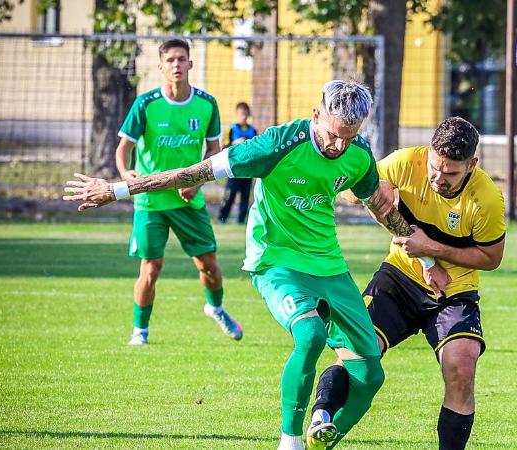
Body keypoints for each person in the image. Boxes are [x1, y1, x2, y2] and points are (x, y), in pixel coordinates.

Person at [64, 80, 435, 450]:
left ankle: (326, 438)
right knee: (310, 336)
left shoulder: (359, 153)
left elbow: (378, 203)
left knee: (370, 374)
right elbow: (193, 172)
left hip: (330, 266)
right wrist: (115, 190)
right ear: (316, 114)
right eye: (334, 135)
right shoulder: (276, 145)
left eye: (349, 137)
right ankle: (289, 442)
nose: (340, 146)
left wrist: (428, 257)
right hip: (275, 260)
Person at [308, 117, 506, 450]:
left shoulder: (486, 199)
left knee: (462, 366)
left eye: (451, 173)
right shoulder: (405, 161)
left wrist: (432, 250)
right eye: (434, 168)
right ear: (428, 152)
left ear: (472, 164)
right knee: (354, 353)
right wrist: (373, 191)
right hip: (398, 279)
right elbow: (348, 188)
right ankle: (321, 420)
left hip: (452, 293)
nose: (438, 179)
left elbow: (491, 258)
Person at [113, 38, 242, 346]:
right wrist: (125, 173)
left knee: (208, 263)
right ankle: (139, 332)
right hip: (150, 200)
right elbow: (123, 148)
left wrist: (196, 182)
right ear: (161, 66)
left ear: (190, 64)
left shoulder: (206, 104)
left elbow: (214, 152)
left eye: (181, 59)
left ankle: (216, 307)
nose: (176, 65)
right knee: (151, 267)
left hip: (188, 201)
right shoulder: (146, 104)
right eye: (170, 60)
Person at [218, 102, 257, 224]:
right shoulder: (231, 130)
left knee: (245, 197)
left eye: (246, 114)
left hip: (247, 170)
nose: (244, 116)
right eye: (241, 114)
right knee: (230, 195)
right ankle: (222, 218)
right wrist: (235, 143)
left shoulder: (253, 131)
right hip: (234, 170)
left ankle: (241, 220)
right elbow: (224, 148)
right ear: (237, 114)